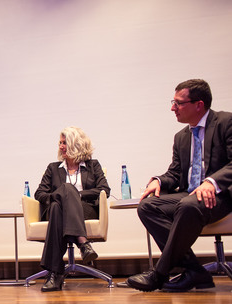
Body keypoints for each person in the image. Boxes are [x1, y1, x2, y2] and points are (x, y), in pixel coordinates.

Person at [127, 79, 232, 292]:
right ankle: (195, 271)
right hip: (190, 194)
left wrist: (212, 182)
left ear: (198, 105)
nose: (172, 108)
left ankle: (159, 274)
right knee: (148, 206)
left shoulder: (226, 122)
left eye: (178, 103)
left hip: (221, 195)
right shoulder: (181, 137)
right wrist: (159, 180)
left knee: (188, 205)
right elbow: (175, 173)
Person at [35, 127, 110, 292]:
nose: (61, 147)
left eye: (65, 143)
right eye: (60, 143)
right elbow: (39, 194)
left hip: (85, 210)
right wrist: (62, 195)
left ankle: (54, 273)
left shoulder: (92, 165)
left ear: (76, 144)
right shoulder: (53, 168)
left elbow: (105, 190)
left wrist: (75, 195)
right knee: (58, 203)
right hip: (56, 210)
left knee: (60, 202)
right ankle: (83, 243)